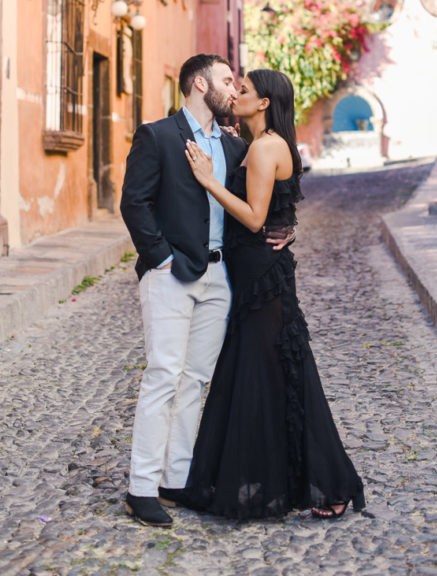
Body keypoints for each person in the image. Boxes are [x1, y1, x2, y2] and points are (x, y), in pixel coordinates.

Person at [182, 68, 366, 520]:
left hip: (263, 279)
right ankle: (265, 481)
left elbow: (254, 217)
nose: (235, 94)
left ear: (264, 103)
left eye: (242, 90)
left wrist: (210, 181)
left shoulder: (266, 148)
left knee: (277, 374)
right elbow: (281, 208)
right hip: (254, 275)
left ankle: (329, 484)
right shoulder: (257, 145)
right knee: (262, 374)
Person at [120, 53, 292, 527]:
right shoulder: (157, 136)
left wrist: (286, 225)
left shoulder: (235, 149)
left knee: (195, 378)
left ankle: (175, 479)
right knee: (163, 375)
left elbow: (263, 196)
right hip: (172, 274)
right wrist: (162, 259)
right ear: (199, 84)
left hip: (220, 278)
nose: (234, 89)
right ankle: (141, 487)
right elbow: (134, 204)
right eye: (226, 80)